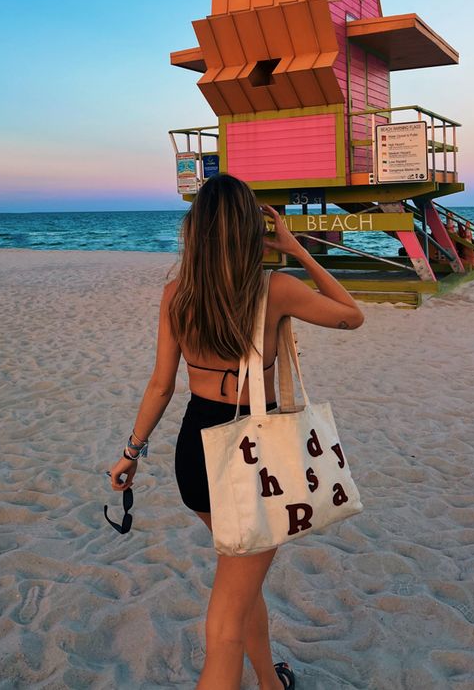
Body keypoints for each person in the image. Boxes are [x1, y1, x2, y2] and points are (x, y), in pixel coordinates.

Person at [106, 174, 364, 690]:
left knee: (241, 586)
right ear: (251, 230)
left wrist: (130, 453)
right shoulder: (276, 289)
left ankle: (270, 681)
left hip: (196, 452)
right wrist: (298, 250)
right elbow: (352, 315)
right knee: (224, 625)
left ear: (196, 231)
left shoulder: (176, 294)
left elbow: (161, 385)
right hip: (253, 456)